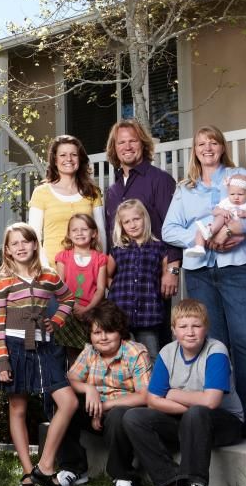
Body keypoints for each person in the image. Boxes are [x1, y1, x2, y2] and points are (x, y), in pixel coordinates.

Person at [161, 126, 246, 444]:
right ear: (194, 150)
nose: (207, 147)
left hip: (240, 270)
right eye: (201, 143)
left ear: (222, 146)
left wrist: (236, 228)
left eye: (213, 142)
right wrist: (200, 236)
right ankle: (224, 420)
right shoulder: (186, 187)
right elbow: (169, 229)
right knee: (213, 347)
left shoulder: (239, 176)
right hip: (200, 273)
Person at [124, 299, 245, 486]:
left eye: (196, 326)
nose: (190, 332)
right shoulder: (167, 352)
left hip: (225, 422)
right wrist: (187, 405)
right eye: (183, 326)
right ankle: (171, 484)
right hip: (188, 420)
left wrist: (173, 393)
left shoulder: (216, 351)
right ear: (173, 330)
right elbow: (152, 400)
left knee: (197, 412)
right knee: (134, 417)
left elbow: (211, 402)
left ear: (206, 328)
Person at [0, 222, 78, 486]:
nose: (20, 247)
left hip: (44, 346)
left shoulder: (49, 275)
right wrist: (2, 360)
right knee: (18, 408)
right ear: (7, 249)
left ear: (34, 244)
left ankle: (46, 465)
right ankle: (29, 473)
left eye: (25, 241)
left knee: (69, 402)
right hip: (15, 346)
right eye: (14, 243)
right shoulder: (2, 279)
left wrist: (56, 320)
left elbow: (68, 299)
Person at [103, 120, 180, 345]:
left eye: (133, 141)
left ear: (143, 144)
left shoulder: (160, 180)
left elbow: (172, 226)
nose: (127, 147)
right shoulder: (114, 190)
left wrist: (172, 271)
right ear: (114, 148)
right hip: (124, 285)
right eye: (121, 142)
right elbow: (112, 236)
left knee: (157, 341)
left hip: (154, 277)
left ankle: (160, 381)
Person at [64, 300, 151, 486]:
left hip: (122, 412)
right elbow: (71, 379)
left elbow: (145, 396)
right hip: (94, 408)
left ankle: (124, 476)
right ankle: (74, 468)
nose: (102, 338)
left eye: (109, 331)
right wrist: (89, 389)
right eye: (97, 332)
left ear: (120, 332)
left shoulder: (135, 352)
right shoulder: (90, 351)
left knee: (119, 415)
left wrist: (105, 405)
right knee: (63, 402)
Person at [29, 134, 106, 266]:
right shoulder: (41, 193)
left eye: (74, 155)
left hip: (88, 270)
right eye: (63, 155)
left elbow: (101, 232)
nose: (69, 159)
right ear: (54, 159)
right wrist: (44, 268)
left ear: (80, 158)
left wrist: (101, 266)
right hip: (52, 271)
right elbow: (34, 234)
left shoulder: (92, 192)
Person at [109, 199, 169, 359]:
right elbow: (108, 275)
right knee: (122, 356)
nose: (132, 225)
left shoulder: (159, 248)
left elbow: (165, 276)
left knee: (150, 355)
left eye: (136, 219)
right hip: (121, 312)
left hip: (148, 313)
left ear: (145, 218)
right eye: (127, 221)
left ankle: (151, 385)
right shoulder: (118, 249)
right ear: (121, 225)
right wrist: (116, 291)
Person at [53, 213, 108, 362]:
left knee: (93, 351)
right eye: (75, 230)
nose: (79, 233)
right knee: (72, 354)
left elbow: (101, 289)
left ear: (94, 233)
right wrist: (73, 306)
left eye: (84, 229)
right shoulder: (63, 257)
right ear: (69, 234)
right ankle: (73, 381)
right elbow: (60, 286)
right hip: (69, 310)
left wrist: (87, 309)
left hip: (92, 310)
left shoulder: (100, 258)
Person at [185, 173, 246, 259]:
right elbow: (214, 211)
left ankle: (212, 235)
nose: (236, 197)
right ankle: (199, 247)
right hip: (217, 229)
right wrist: (222, 211)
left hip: (234, 234)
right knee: (200, 231)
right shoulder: (226, 202)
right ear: (228, 192)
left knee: (240, 235)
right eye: (232, 194)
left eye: (240, 194)